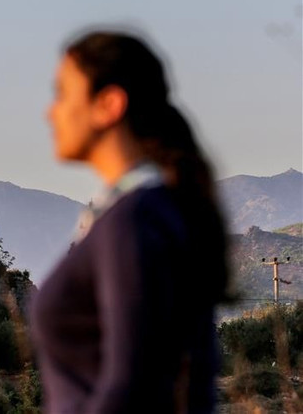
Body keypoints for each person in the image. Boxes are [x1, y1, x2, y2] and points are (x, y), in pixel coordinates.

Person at [28, 30, 229, 413]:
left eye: (63, 94)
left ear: (109, 104)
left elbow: (133, 386)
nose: (50, 112)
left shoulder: (132, 221)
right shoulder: (146, 210)